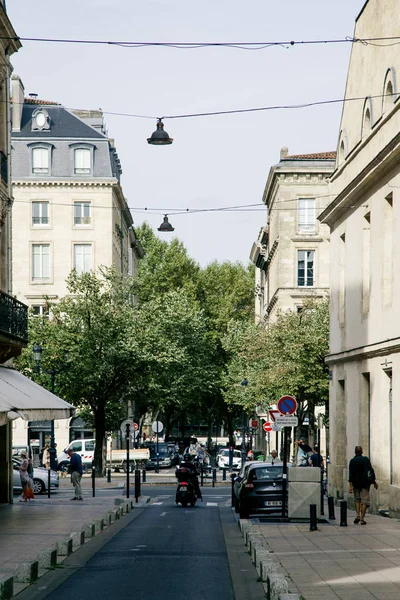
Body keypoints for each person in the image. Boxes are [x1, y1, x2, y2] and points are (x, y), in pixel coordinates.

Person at [348, 446, 378, 525]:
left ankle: (358, 515)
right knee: (364, 501)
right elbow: (370, 471)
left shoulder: (352, 461)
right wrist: (374, 482)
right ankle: (362, 519)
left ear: (355, 452)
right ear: (362, 452)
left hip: (356, 483)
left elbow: (350, 475)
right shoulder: (365, 460)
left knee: (357, 500)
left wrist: (350, 486)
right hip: (365, 483)